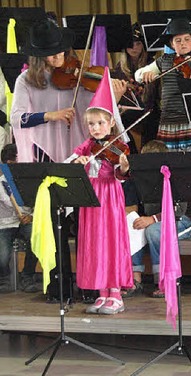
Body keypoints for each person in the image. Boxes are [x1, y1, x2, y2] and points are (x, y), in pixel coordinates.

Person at [10, 19, 126, 301]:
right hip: (47, 159)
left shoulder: (81, 76)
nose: (59, 57)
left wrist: (113, 94)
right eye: (51, 53)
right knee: (55, 224)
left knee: (86, 225)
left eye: (62, 51)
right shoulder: (26, 80)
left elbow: (102, 112)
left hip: (84, 159)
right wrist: (51, 115)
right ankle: (58, 285)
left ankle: (91, 284)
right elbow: (17, 117)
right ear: (38, 57)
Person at [70, 75, 133, 315]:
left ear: (111, 123)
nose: (96, 129)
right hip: (89, 198)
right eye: (91, 124)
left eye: (100, 123)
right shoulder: (87, 145)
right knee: (93, 242)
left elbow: (120, 175)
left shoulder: (118, 146)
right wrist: (80, 161)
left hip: (109, 197)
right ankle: (101, 294)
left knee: (110, 242)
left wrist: (124, 166)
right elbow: (74, 160)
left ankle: (115, 292)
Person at [122, 140, 191, 299]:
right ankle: (134, 279)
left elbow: (179, 211)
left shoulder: (174, 176)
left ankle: (164, 282)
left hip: (186, 220)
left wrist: (152, 219)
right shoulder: (141, 179)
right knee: (130, 224)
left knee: (155, 231)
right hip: (156, 220)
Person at [135, 18, 191, 151]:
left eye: (187, 39)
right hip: (169, 119)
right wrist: (145, 75)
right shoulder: (164, 61)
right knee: (169, 161)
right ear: (171, 44)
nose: (183, 44)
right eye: (178, 40)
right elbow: (138, 75)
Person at [112, 22, 161, 151]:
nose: (134, 47)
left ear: (143, 46)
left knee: (152, 120)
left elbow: (153, 97)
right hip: (128, 112)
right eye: (130, 44)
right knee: (118, 123)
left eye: (138, 43)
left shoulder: (151, 64)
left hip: (149, 111)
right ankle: (130, 154)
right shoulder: (119, 69)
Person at [0, 144, 38, 293]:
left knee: (36, 240)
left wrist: (31, 216)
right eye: (9, 165)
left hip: (27, 220)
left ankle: (27, 277)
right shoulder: (1, 182)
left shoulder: (29, 180)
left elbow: (38, 203)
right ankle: (3, 280)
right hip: (5, 223)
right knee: (2, 255)